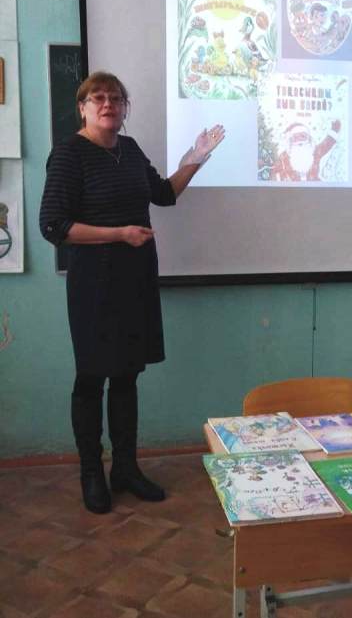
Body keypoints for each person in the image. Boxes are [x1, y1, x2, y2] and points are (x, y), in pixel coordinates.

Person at [39, 71, 225, 514]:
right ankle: (92, 472)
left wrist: (196, 157)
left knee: (127, 375)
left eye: (116, 98)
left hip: (135, 279)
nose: (108, 104)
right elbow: (54, 226)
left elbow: (163, 194)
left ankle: (125, 468)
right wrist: (119, 233)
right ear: (83, 107)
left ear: (125, 108)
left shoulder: (130, 148)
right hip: (94, 283)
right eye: (98, 98)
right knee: (91, 378)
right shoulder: (68, 154)